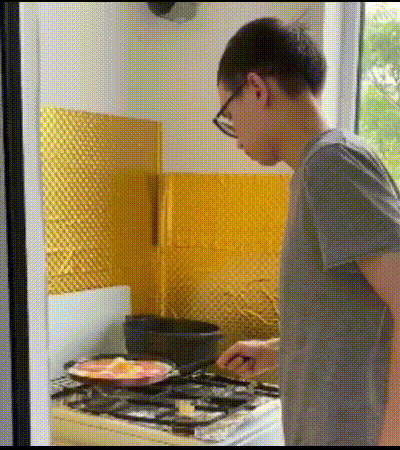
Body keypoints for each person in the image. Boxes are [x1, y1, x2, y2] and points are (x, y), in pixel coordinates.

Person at [213, 17, 400, 446]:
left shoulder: (332, 164)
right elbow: (356, 314)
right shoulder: (320, 168)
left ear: (257, 89)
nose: (235, 137)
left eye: (230, 115)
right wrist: (279, 351)